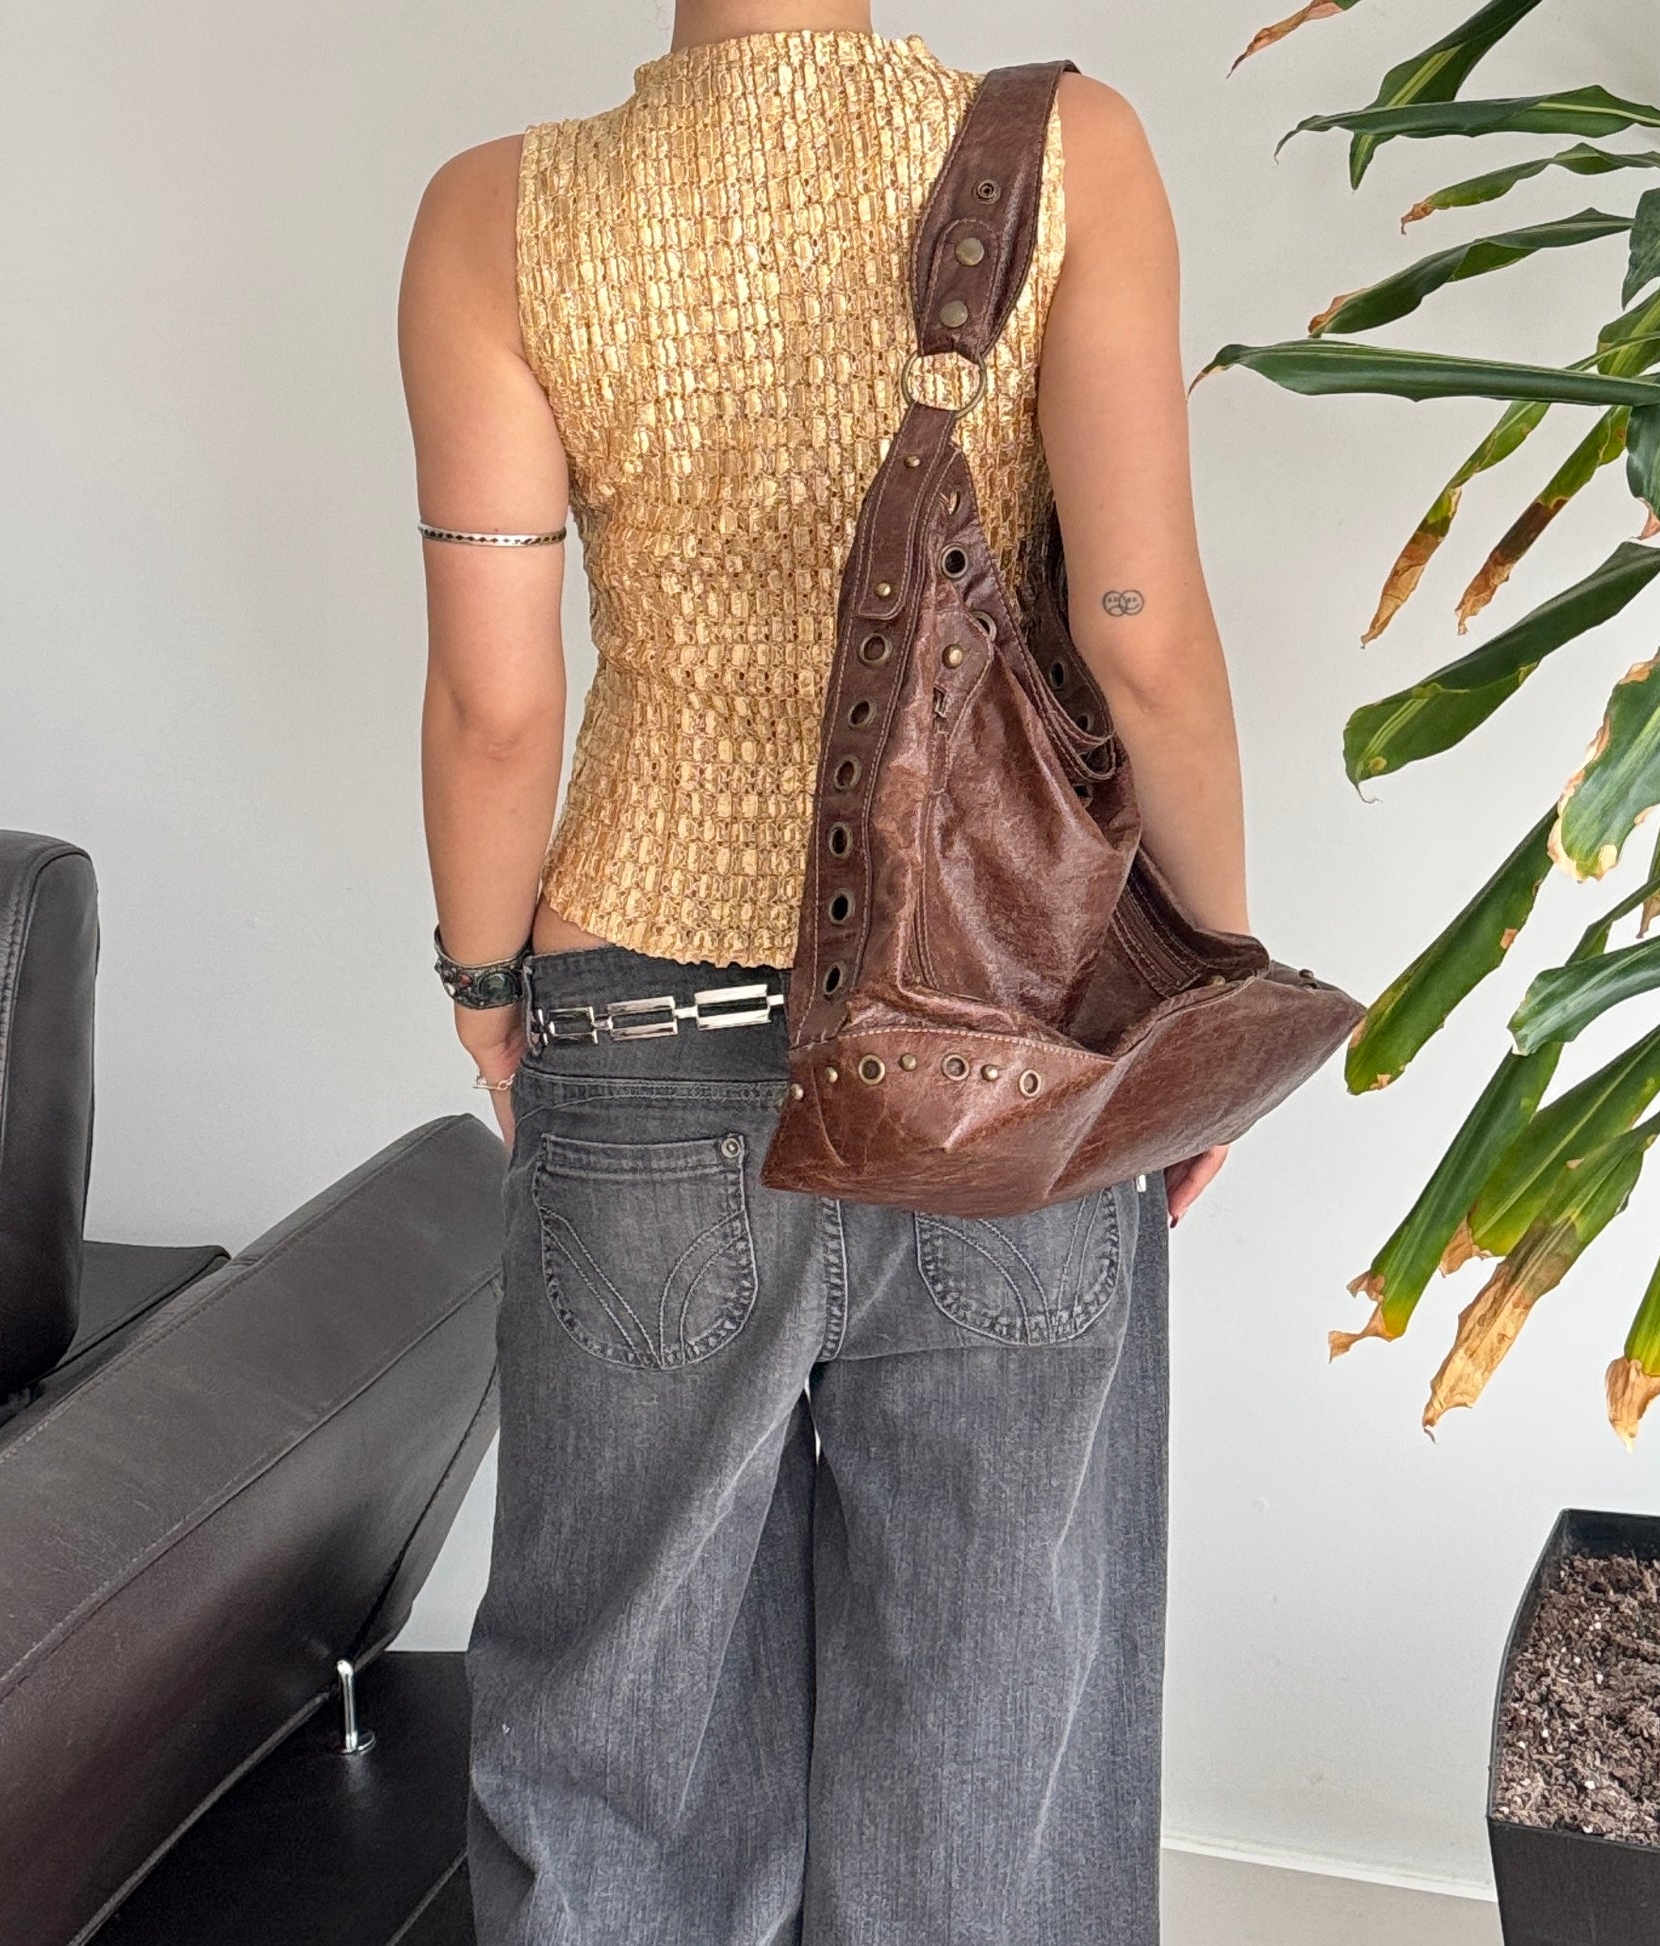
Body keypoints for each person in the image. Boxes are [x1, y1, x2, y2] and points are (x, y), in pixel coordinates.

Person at [397, 5, 1248, 1940]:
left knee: (616, 1722)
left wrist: (484, 982)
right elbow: (1139, 634)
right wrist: (1196, 999)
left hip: (642, 1032)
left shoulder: (499, 217)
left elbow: (495, 701)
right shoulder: (1072, 152)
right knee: (993, 1717)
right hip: (1006, 1038)